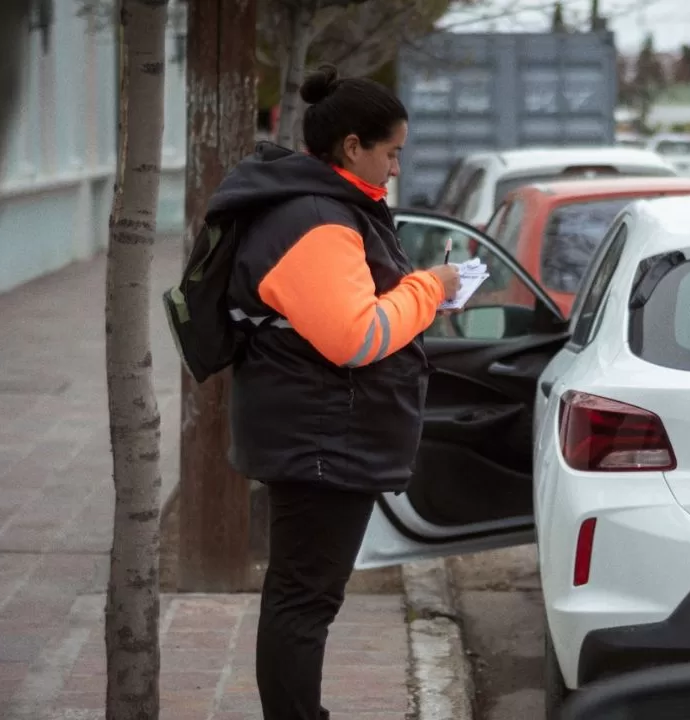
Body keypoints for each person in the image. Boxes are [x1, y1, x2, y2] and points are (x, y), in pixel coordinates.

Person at [203, 63, 460, 720]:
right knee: (303, 599)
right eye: (392, 151)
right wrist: (431, 289)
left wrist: (416, 297)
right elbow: (356, 336)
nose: (397, 166)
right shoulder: (318, 219)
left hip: (318, 427)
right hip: (321, 435)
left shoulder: (322, 204)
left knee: (301, 596)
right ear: (353, 147)